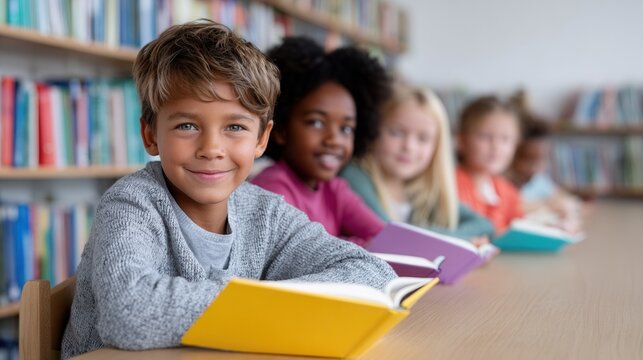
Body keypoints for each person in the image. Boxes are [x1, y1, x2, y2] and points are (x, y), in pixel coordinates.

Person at [61, 20, 396, 359]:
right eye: (187, 125)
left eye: (235, 126)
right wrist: (266, 302)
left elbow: (373, 275)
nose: (212, 148)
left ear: (261, 139)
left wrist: (253, 305)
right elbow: (128, 314)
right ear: (150, 135)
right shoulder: (130, 204)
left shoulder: (267, 214)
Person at [252, 37, 390, 246]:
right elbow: (302, 253)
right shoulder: (271, 189)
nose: (334, 140)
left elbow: (385, 238)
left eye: (345, 128)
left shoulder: (334, 189)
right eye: (316, 123)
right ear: (280, 129)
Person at [341, 83, 494, 244]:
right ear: (374, 131)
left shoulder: (422, 190)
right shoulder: (354, 176)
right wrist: (461, 240)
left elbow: (485, 226)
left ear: (436, 147)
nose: (409, 147)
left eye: (423, 138)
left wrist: (455, 239)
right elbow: (390, 235)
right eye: (397, 133)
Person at [455, 95, 523, 234]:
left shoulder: (508, 192)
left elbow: (520, 226)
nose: (496, 147)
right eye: (485, 136)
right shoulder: (450, 185)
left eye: (505, 139)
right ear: (462, 140)